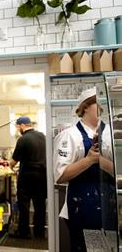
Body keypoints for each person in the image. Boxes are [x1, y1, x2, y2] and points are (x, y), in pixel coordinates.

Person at [53, 87, 112, 252]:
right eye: (97, 104)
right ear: (85, 107)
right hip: (82, 207)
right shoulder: (69, 136)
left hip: (111, 206)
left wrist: (100, 160)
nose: (101, 108)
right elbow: (60, 176)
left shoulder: (112, 136)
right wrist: (88, 160)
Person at [9, 116, 47, 239]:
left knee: (24, 205)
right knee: (40, 205)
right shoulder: (43, 137)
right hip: (42, 176)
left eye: (18, 127)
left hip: (27, 177)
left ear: (22, 126)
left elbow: (13, 161)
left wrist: (11, 166)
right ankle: (39, 232)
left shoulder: (23, 139)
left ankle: (24, 232)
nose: (18, 130)